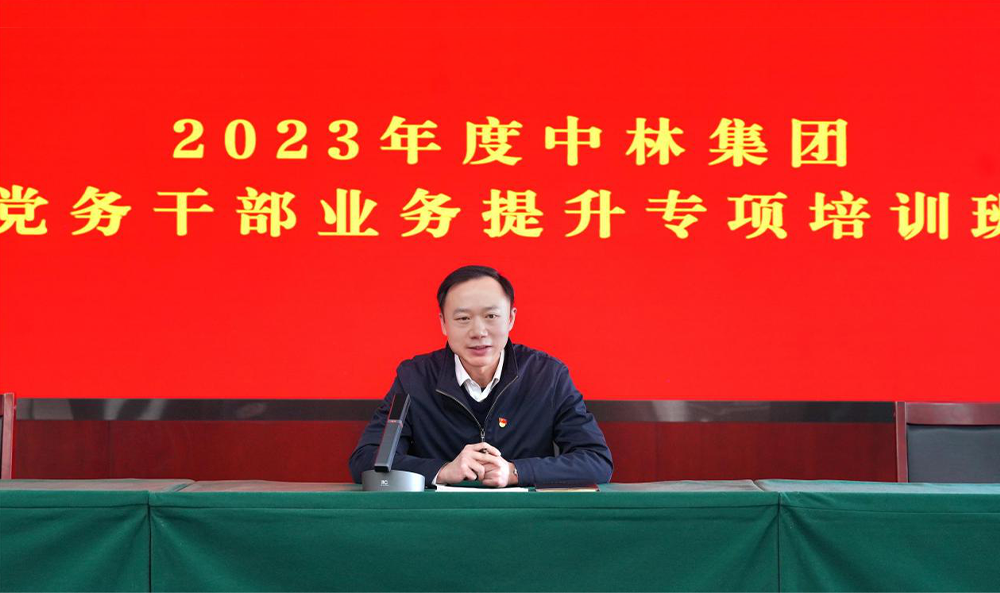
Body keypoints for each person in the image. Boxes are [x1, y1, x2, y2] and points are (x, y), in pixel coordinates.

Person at [349, 265, 613, 488]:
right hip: (438, 520)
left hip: (526, 520)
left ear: (510, 319)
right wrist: (443, 470)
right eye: (463, 318)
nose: (478, 331)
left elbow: (596, 460)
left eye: (491, 316)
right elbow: (367, 459)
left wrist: (515, 471)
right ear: (443, 323)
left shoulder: (547, 375)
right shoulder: (415, 377)